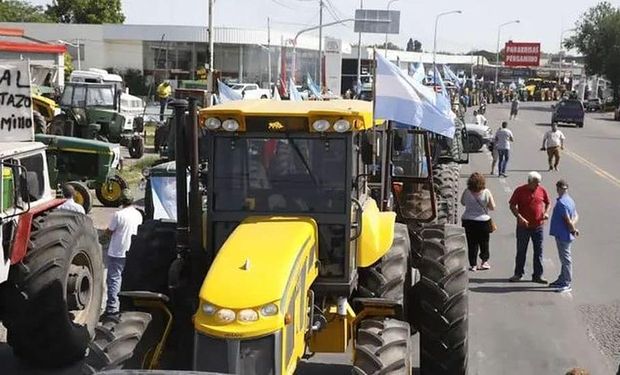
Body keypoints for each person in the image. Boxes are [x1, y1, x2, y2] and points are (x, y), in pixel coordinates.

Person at [104, 189, 143, 316]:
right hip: (132, 251)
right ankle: (127, 306)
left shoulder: (118, 215)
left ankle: (112, 308)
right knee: (128, 279)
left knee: (114, 280)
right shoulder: (138, 214)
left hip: (117, 251)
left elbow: (109, 231)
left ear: (121, 200)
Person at [508, 172, 551, 283]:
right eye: (536, 183)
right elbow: (512, 205)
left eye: (539, 183)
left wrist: (546, 212)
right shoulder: (519, 190)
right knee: (521, 251)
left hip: (538, 226)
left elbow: (548, 203)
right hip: (523, 227)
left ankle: (538, 275)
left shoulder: (542, 190)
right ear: (530, 182)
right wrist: (519, 217)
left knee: (539, 251)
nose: (538, 185)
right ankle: (518, 273)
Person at [461, 173, 496, 271]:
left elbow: (463, 202)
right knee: (484, 242)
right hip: (483, 221)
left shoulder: (467, 191)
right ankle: (484, 262)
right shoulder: (486, 192)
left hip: (468, 220)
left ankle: (473, 264)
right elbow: (492, 207)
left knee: (471, 243)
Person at [549, 179, 579, 292]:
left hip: (563, 235)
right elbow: (576, 216)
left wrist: (572, 229)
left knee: (566, 259)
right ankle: (561, 279)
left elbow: (567, 219)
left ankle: (566, 282)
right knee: (564, 259)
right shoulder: (569, 200)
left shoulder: (562, 203)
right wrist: (573, 227)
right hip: (564, 233)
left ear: (558, 188)